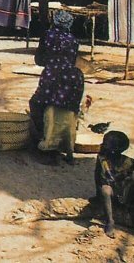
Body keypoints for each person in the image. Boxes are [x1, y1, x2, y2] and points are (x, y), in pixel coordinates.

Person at [29, 9, 84, 164]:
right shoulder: (73, 39)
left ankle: (44, 145)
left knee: (37, 104)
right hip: (74, 77)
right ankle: (64, 146)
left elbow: (39, 60)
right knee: (65, 110)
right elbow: (72, 61)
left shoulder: (47, 35)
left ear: (55, 21)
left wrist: (51, 61)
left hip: (53, 75)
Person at [95, 131, 134, 238]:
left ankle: (130, 207)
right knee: (105, 190)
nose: (102, 146)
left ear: (114, 150)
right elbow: (99, 179)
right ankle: (110, 221)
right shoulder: (102, 160)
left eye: (105, 144)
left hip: (124, 193)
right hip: (111, 193)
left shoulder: (129, 162)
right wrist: (98, 195)